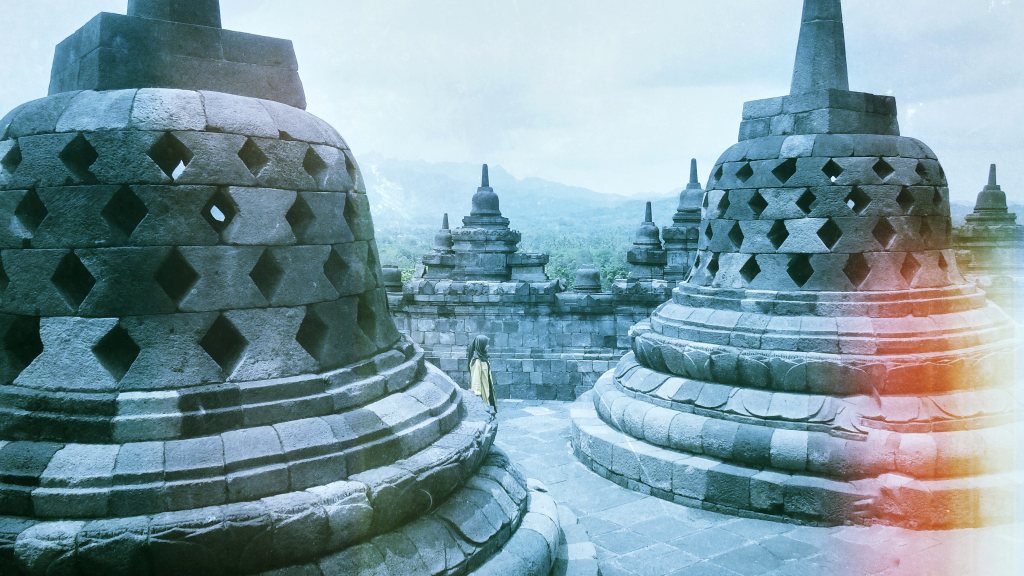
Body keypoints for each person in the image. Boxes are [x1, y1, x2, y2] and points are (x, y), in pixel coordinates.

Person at [466, 335, 497, 411]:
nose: (488, 346)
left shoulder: (483, 357)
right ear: (481, 345)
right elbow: (476, 379)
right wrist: (477, 394)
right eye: (486, 344)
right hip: (482, 392)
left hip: (488, 388)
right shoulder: (477, 361)